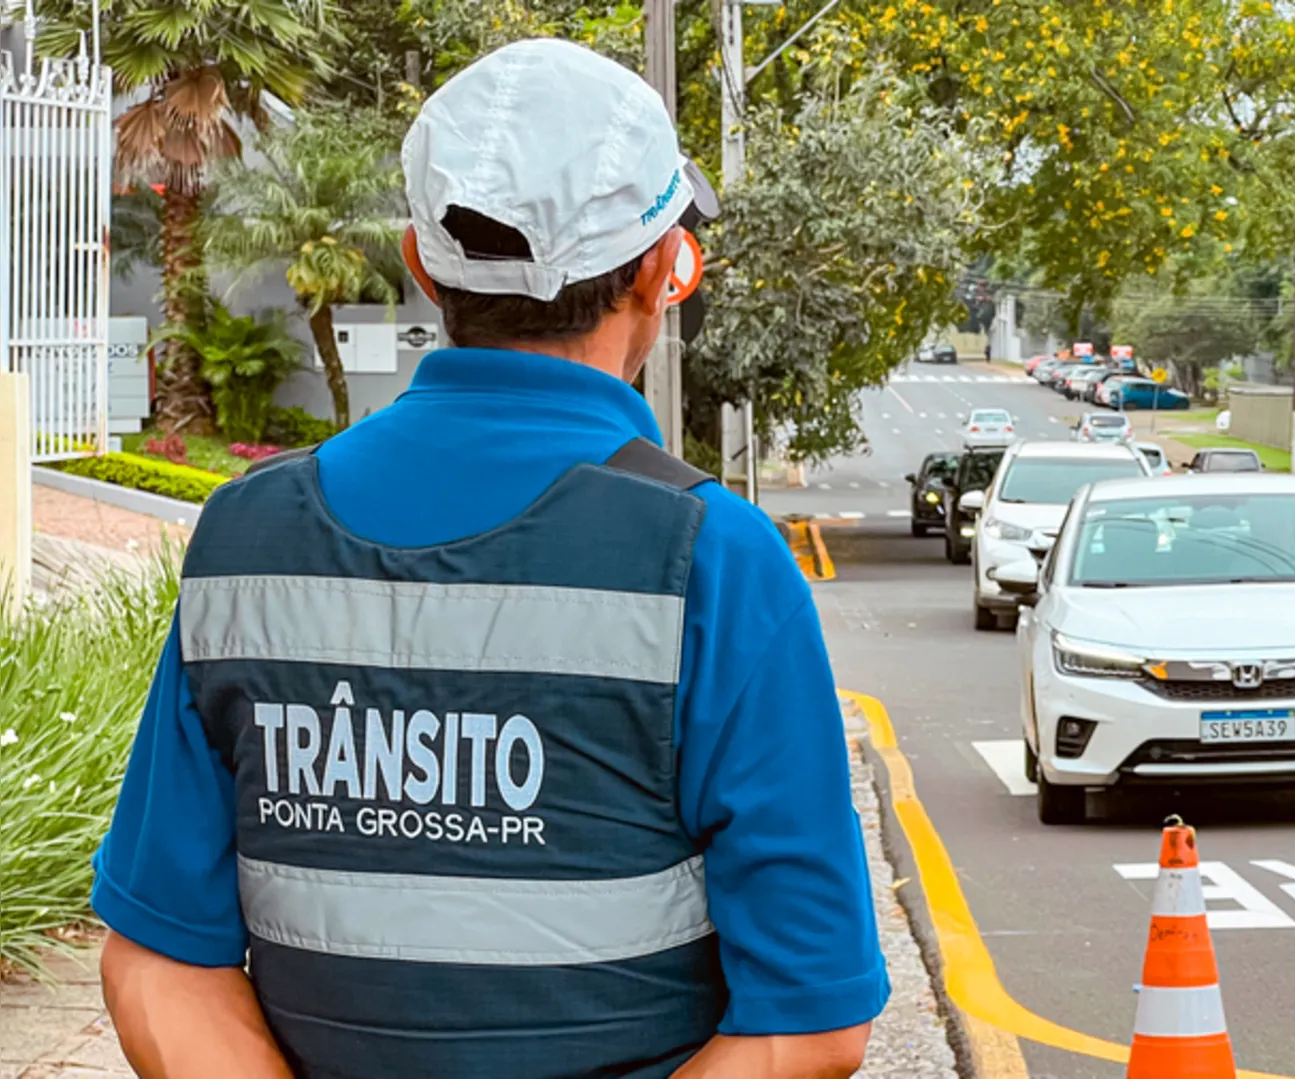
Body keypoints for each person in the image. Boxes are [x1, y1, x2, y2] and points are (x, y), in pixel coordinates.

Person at [91, 39, 886, 1079]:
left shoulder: (247, 541)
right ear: (658, 272)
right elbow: (809, 1022)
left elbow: (158, 958)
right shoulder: (715, 564)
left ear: (421, 263)